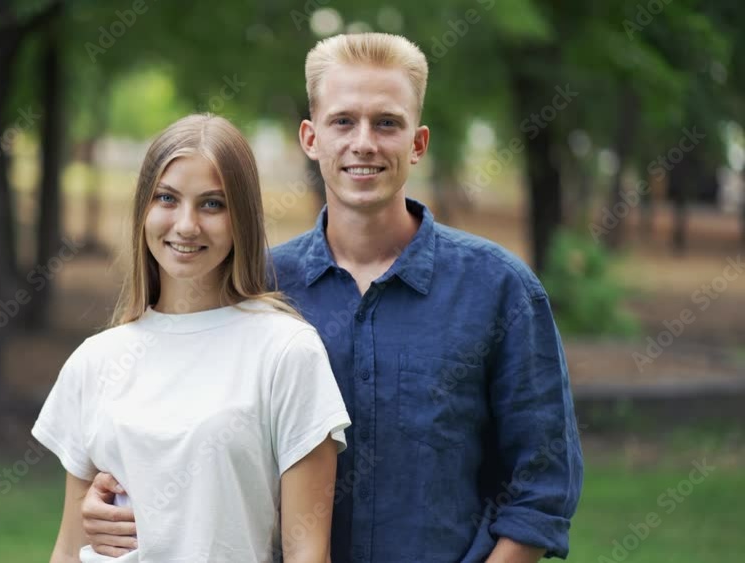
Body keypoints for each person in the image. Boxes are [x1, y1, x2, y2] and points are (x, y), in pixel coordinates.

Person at [81, 33, 583, 563]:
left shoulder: (499, 290)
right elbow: (183, 436)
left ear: (418, 143)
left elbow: (540, 492)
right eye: (343, 121)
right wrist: (104, 501)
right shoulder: (253, 287)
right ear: (311, 137)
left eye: (386, 122)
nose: (363, 142)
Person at [31, 114, 352, 562]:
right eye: (167, 198)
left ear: (242, 217)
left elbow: (307, 552)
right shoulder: (97, 360)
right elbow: (69, 549)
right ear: (144, 207)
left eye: (212, 204)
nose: (186, 225)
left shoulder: (286, 352)